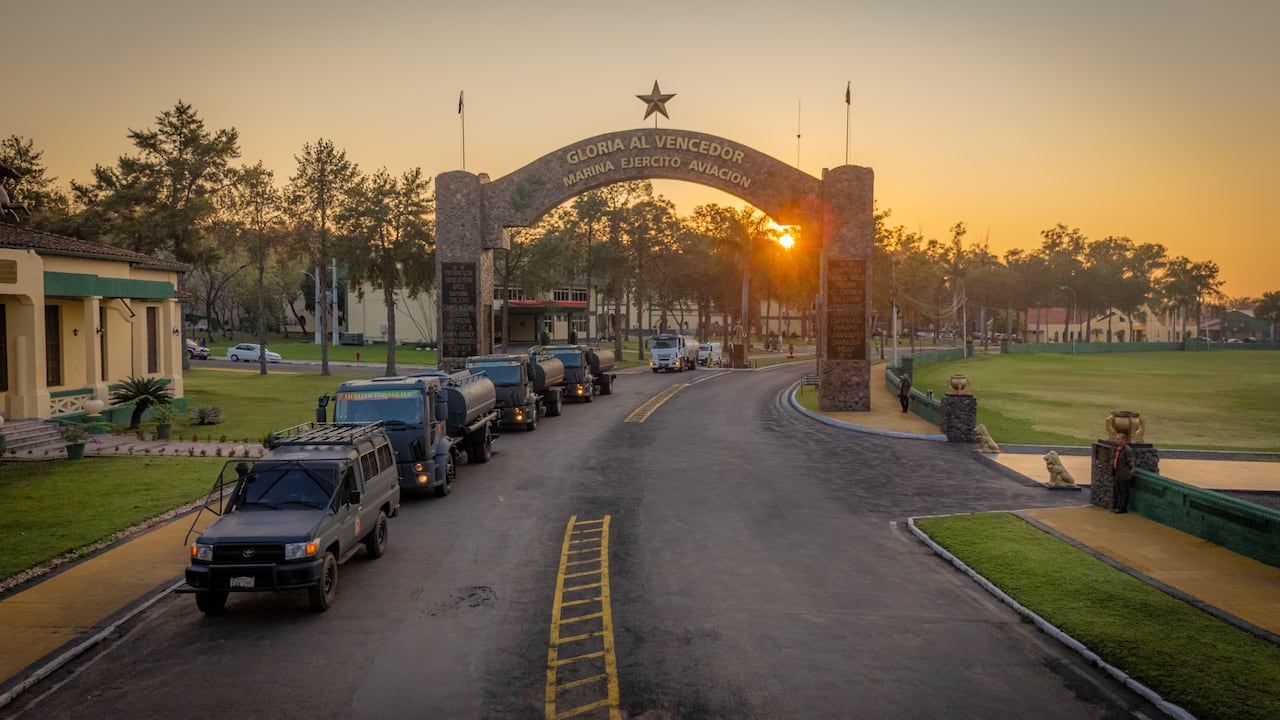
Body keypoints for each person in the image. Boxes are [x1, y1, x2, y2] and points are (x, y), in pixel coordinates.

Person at [1111, 432, 1136, 513]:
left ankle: (1122, 508)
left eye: (1118, 439)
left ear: (1123, 440)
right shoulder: (1117, 449)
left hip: (1124, 475)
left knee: (1124, 492)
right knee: (1118, 491)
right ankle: (1117, 507)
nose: (1116, 440)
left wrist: (1130, 474)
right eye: (1116, 439)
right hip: (1117, 474)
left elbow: (1131, 463)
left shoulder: (1127, 450)